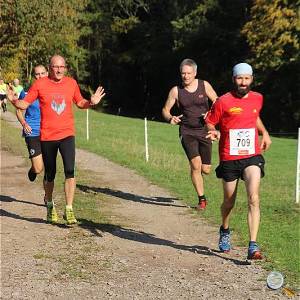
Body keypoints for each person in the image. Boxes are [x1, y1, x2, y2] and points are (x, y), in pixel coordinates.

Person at [7, 54, 106, 225]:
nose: (59, 70)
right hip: (47, 137)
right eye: (55, 67)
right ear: (50, 68)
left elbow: (80, 102)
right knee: (50, 174)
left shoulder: (71, 83)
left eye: (62, 67)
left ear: (65, 68)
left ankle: (69, 208)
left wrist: (91, 102)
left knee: (70, 171)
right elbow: (25, 104)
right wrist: (14, 100)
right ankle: (50, 204)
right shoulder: (40, 84)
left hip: (67, 134)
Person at [205, 62, 272, 259]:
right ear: (233, 79)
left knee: (254, 197)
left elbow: (254, 116)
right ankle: (225, 229)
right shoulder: (223, 101)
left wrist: (265, 133)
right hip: (229, 157)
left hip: (252, 155)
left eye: (247, 78)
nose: (243, 82)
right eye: (239, 78)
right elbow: (210, 121)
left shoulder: (258, 98)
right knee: (229, 202)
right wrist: (213, 131)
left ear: (252, 79)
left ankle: (253, 245)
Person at [162, 58, 218, 210]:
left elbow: (218, 102)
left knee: (206, 169)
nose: (185, 76)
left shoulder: (204, 85)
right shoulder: (176, 91)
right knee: (195, 165)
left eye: (188, 73)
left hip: (204, 131)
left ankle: (200, 178)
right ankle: (202, 200)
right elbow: (165, 110)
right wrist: (170, 118)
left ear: (195, 73)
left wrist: (211, 114)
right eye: (183, 73)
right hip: (187, 131)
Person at [16, 65, 48, 187]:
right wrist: (24, 123)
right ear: (34, 76)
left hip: (48, 132)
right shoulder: (26, 93)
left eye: (42, 73)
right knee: (39, 168)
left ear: (47, 73)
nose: (40, 76)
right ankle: (33, 169)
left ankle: (48, 197)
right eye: (37, 74)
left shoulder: (51, 91)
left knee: (49, 166)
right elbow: (18, 110)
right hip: (32, 132)